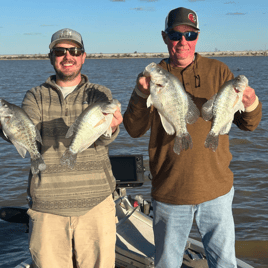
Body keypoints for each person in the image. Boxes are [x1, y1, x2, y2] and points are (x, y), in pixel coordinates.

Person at [123, 7, 262, 268]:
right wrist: (141, 94)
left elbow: (249, 124)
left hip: (217, 190)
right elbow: (133, 129)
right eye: (176, 34)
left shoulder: (219, 70)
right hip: (170, 191)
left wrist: (252, 103)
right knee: (167, 263)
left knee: (224, 263)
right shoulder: (153, 77)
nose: (183, 41)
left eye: (190, 34)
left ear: (197, 37)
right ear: (165, 38)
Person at [0, 28, 123, 268]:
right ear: (51, 57)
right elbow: (26, 134)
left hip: (96, 206)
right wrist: (6, 125)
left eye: (74, 51)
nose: (68, 56)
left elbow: (105, 139)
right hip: (47, 209)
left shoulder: (100, 94)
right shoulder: (35, 96)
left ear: (83, 56)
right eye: (60, 51)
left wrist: (112, 128)